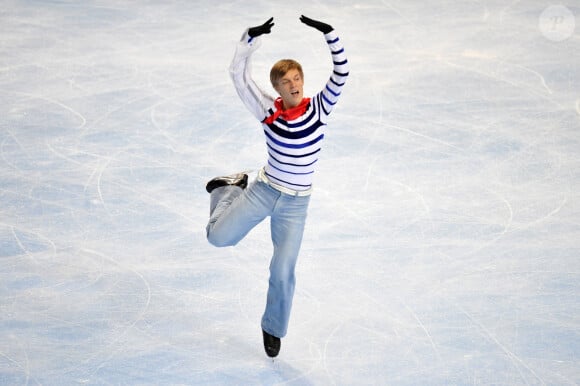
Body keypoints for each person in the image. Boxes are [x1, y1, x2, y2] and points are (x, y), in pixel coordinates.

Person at [205, 15, 349, 358]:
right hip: (264, 191)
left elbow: (341, 74)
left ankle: (272, 328)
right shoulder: (268, 111)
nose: (294, 84)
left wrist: (329, 34)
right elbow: (238, 77)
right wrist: (249, 40)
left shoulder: (320, 107)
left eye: (298, 78)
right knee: (217, 237)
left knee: (282, 270)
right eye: (286, 81)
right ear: (278, 88)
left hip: (296, 206)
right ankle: (229, 188)